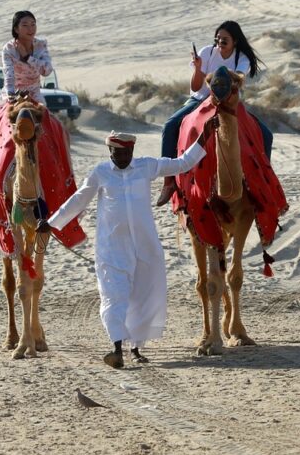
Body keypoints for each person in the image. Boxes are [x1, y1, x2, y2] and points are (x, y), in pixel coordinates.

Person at [37, 118, 220, 368]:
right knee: (114, 297)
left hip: (145, 247)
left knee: (142, 298)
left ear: (132, 151)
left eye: (124, 153)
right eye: (116, 153)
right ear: (109, 151)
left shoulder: (146, 167)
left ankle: (135, 348)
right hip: (111, 249)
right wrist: (52, 222)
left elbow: (183, 163)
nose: (120, 158)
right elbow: (79, 199)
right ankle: (116, 349)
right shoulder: (100, 173)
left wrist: (204, 136)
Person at [155, 20, 271, 206]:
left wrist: (226, 79)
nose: (220, 43)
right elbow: (194, 86)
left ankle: (264, 182)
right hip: (200, 99)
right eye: (218, 39)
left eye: (225, 40)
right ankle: (168, 182)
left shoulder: (241, 58)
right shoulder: (207, 52)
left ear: (235, 41)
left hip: (228, 101)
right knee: (170, 126)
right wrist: (199, 68)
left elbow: (239, 79)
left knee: (266, 134)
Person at [1, 10, 53, 104]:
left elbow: (47, 71)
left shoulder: (41, 45)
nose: (30, 29)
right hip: (14, 93)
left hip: (35, 94)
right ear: (16, 29)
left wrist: (27, 57)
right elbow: (9, 74)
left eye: (33, 24)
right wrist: (11, 96)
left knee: (45, 115)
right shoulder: (9, 49)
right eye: (25, 25)